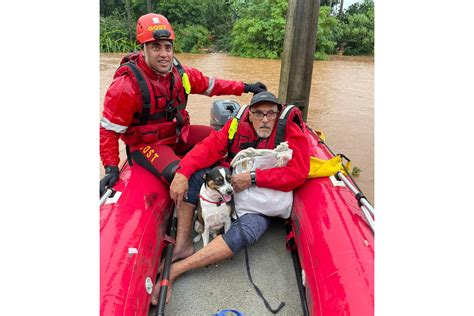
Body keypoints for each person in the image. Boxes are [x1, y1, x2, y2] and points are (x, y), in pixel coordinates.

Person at [150, 91, 310, 304]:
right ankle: (182, 245)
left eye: (271, 113)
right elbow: (208, 147)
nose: (265, 119)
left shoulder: (290, 130)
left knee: (247, 232)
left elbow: (298, 172)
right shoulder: (235, 125)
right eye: (259, 113)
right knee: (196, 176)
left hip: (261, 201)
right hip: (233, 184)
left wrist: (253, 178)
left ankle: (177, 269)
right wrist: (182, 172)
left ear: (278, 113)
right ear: (250, 115)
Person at [100, 13, 267, 195]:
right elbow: (108, 130)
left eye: (168, 47)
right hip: (147, 145)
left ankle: (232, 181)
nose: (164, 54)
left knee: (224, 141)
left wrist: (246, 87)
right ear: (143, 49)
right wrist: (111, 167)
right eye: (156, 47)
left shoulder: (181, 74)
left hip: (180, 135)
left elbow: (212, 85)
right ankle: (197, 203)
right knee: (178, 173)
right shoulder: (126, 86)